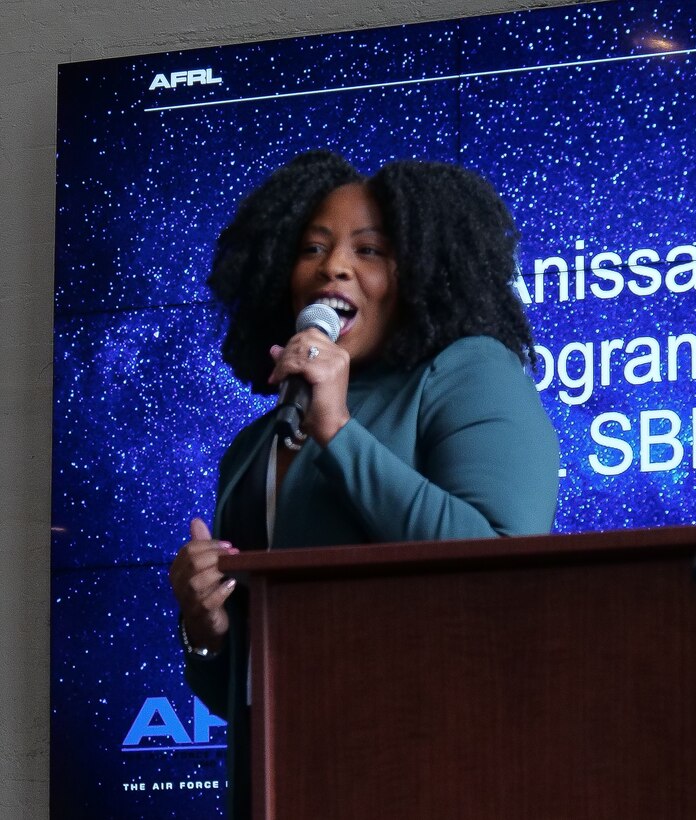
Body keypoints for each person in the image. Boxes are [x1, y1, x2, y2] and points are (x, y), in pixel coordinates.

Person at [168, 149, 560, 818]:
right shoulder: (250, 450)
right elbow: (236, 687)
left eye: (369, 250)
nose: (333, 267)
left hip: (427, 772)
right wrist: (205, 629)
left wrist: (340, 431)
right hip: (282, 779)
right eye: (312, 248)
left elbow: (501, 566)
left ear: (422, 273)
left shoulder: (468, 373)